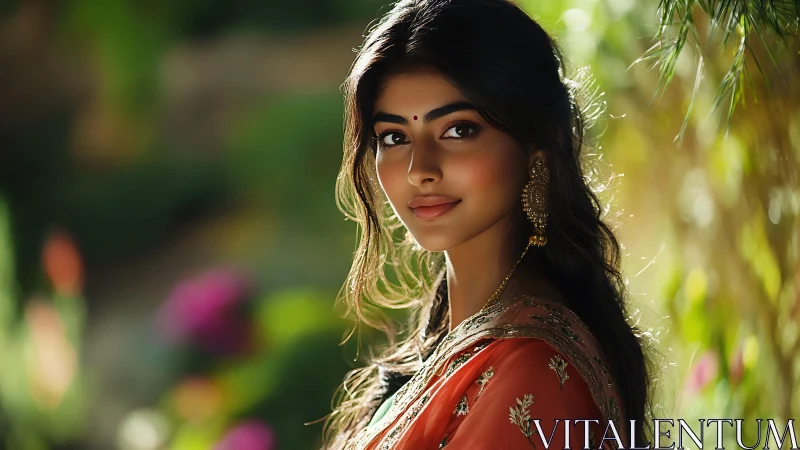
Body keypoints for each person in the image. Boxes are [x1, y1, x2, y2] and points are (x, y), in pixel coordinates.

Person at [320, 0, 657, 448]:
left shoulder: (530, 369)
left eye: (458, 130)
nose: (420, 170)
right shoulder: (455, 337)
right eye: (395, 137)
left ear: (537, 147)